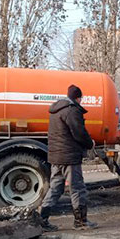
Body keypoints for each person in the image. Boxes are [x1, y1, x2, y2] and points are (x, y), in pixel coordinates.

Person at [40, 84, 96, 231]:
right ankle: (81, 221)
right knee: (77, 188)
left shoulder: (55, 111)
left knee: (55, 188)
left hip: (56, 156)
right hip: (70, 157)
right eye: (81, 98)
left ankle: (42, 219)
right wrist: (90, 144)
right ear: (78, 98)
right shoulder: (72, 111)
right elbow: (79, 133)